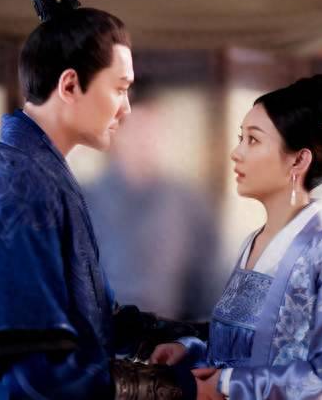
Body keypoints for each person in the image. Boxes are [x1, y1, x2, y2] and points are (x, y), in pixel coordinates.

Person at [0, 0, 196, 399]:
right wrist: (175, 389)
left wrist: (193, 339)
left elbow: (94, 319)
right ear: (70, 84)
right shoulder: (15, 185)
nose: (126, 109)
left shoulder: (42, 174)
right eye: (120, 89)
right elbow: (35, 370)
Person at [152, 74, 322, 399]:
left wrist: (230, 384)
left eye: (253, 140)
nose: (236, 152)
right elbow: (249, 345)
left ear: (299, 160)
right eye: (241, 137)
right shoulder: (253, 243)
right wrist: (191, 350)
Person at [83, 78, 224, 322]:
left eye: (152, 129)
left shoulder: (188, 203)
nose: (145, 140)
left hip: (171, 335)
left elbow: (208, 286)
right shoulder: (84, 202)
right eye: (136, 129)